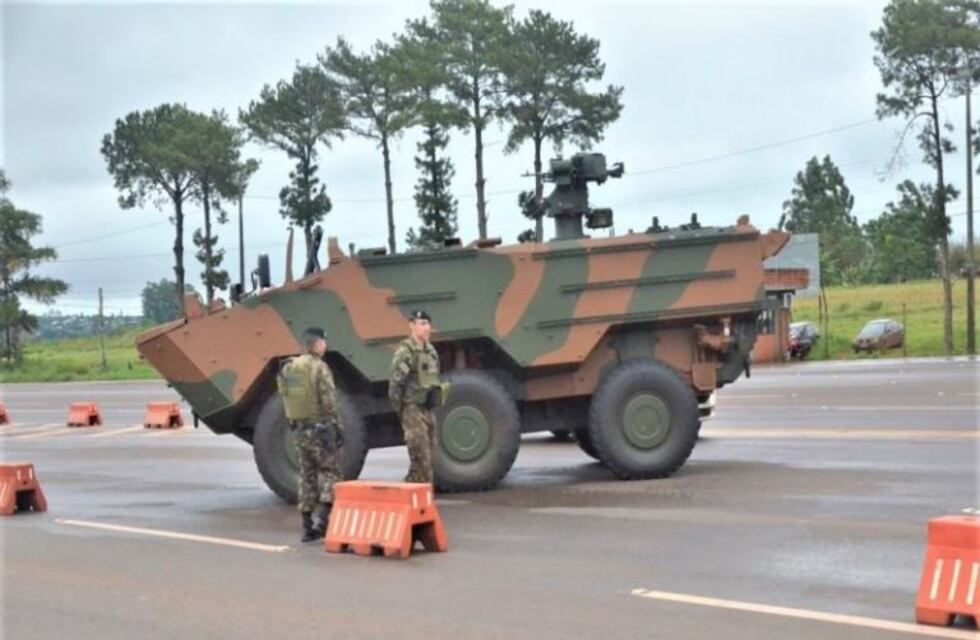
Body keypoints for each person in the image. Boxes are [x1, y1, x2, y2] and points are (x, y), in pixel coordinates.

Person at [277, 327, 344, 542]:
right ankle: (322, 521)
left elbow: (285, 397)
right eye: (324, 342)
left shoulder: (289, 367)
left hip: (299, 430)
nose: (326, 345)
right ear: (316, 344)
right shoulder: (319, 368)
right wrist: (336, 427)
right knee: (332, 471)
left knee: (307, 475)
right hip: (319, 429)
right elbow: (330, 402)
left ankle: (306, 527)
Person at [388, 309, 442, 484]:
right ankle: (418, 495)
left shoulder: (431, 351)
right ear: (412, 326)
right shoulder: (405, 352)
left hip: (428, 409)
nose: (427, 328)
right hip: (412, 409)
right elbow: (395, 385)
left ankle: (421, 496)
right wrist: (403, 412)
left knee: (431, 458)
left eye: (428, 324)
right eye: (422, 324)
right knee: (421, 457)